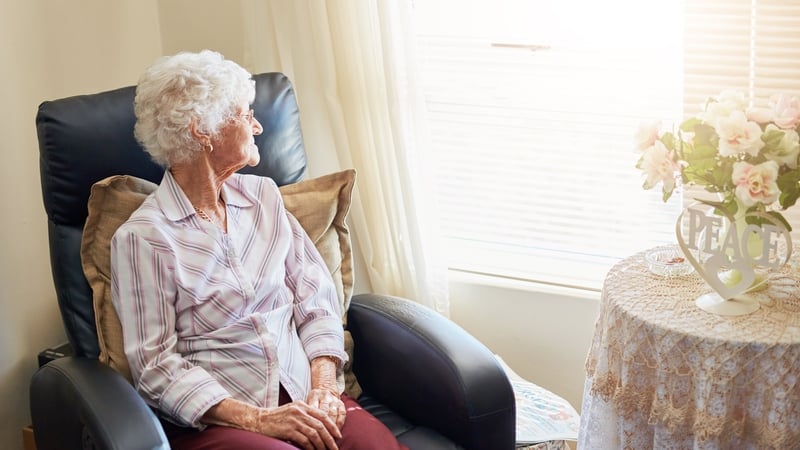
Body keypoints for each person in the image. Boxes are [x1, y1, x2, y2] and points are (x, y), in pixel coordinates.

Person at [110, 50, 407, 450]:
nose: (258, 125)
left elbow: (316, 298)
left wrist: (323, 389)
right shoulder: (144, 238)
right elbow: (155, 366)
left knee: (376, 446)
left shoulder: (263, 197)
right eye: (244, 114)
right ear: (202, 130)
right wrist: (260, 420)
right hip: (221, 419)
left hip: (304, 393)